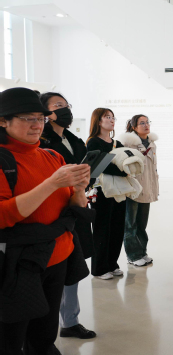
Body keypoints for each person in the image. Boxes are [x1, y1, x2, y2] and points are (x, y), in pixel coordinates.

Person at [0, 88, 91, 355]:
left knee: (44, 337)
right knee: (10, 340)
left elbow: (74, 207)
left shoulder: (52, 156)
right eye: (27, 118)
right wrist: (52, 183)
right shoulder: (4, 160)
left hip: (57, 258)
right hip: (19, 265)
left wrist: (79, 188)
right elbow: (3, 216)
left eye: (40, 118)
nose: (37, 125)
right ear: (3, 121)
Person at [39, 92, 96, 340]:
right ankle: (46, 329)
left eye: (67, 105)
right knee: (53, 271)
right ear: (46, 113)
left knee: (73, 267)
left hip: (75, 207)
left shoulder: (74, 139)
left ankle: (70, 321)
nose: (65, 110)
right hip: (53, 212)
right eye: (58, 106)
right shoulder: (42, 142)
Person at [86, 108, 127, 280]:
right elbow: (100, 166)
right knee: (102, 229)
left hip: (119, 190)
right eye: (107, 117)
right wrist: (123, 170)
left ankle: (112, 263)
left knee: (117, 228)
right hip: (101, 191)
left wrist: (124, 168)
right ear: (98, 121)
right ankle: (99, 268)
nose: (111, 120)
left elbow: (126, 161)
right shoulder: (93, 142)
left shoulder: (117, 143)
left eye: (113, 117)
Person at [119, 115, 159, 266]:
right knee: (130, 224)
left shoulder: (152, 143)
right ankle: (133, 256)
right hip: (132, 188)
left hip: (147, 187)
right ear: (134, 127)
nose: (146, 125)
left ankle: (142, 252)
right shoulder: (127, 144)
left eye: (148, 122)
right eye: (142, 123)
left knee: (142, 224)